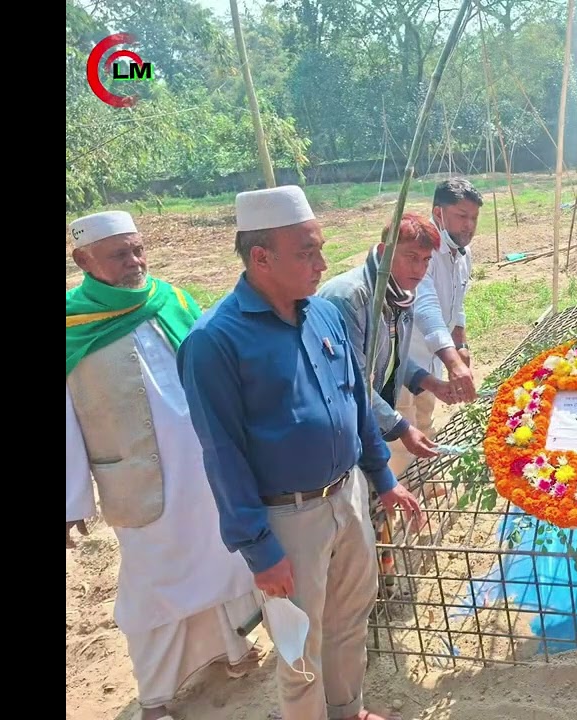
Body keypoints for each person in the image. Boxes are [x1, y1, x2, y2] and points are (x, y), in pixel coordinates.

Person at [175, 186, 424, 720]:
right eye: (306, 252)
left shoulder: (323, 315)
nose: (322, 263)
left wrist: (383, 478)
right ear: (261, 257)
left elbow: (356, 400)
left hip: (347, 496)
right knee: (299, 647)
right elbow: (222, 454)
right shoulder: (214, 342)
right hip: (288, 518)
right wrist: (260, 549)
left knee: (350, 618)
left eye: (320, 248)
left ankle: (347, 710)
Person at [66, 210, 261, 720]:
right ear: (82, 260)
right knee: (152, 591)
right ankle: (155, 698)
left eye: (137, 249)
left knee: (225, 560)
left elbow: (216, 368)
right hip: (140, 483)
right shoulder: (70, 326)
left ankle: (235, 652)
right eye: (119, 254)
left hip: (205, 470)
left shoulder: (169, 298)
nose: (134, 262)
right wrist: (71, 501)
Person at [317, 212, 460, 478]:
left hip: (366, 415)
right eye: (411, 258)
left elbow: (393, 357)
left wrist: (432, 384)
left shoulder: (402, 293)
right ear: (384, 251)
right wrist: (402, 428)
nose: (420, 270)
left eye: (426, 260)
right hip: (339, 424)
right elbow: (353, 381)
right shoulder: (351, 299)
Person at [394, 179, 483, 478]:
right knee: (401, 431)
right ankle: (401, 498)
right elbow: (426, 306)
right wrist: (453, 361)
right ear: (439, 213)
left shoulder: (463, 254)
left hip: (433, 357)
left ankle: (423, 482)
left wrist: (461, 345)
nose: (469, 225)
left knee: (425, 419)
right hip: (403, 357)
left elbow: (456, 305)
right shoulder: (421, 250)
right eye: (461, 216)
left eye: (473, 217)